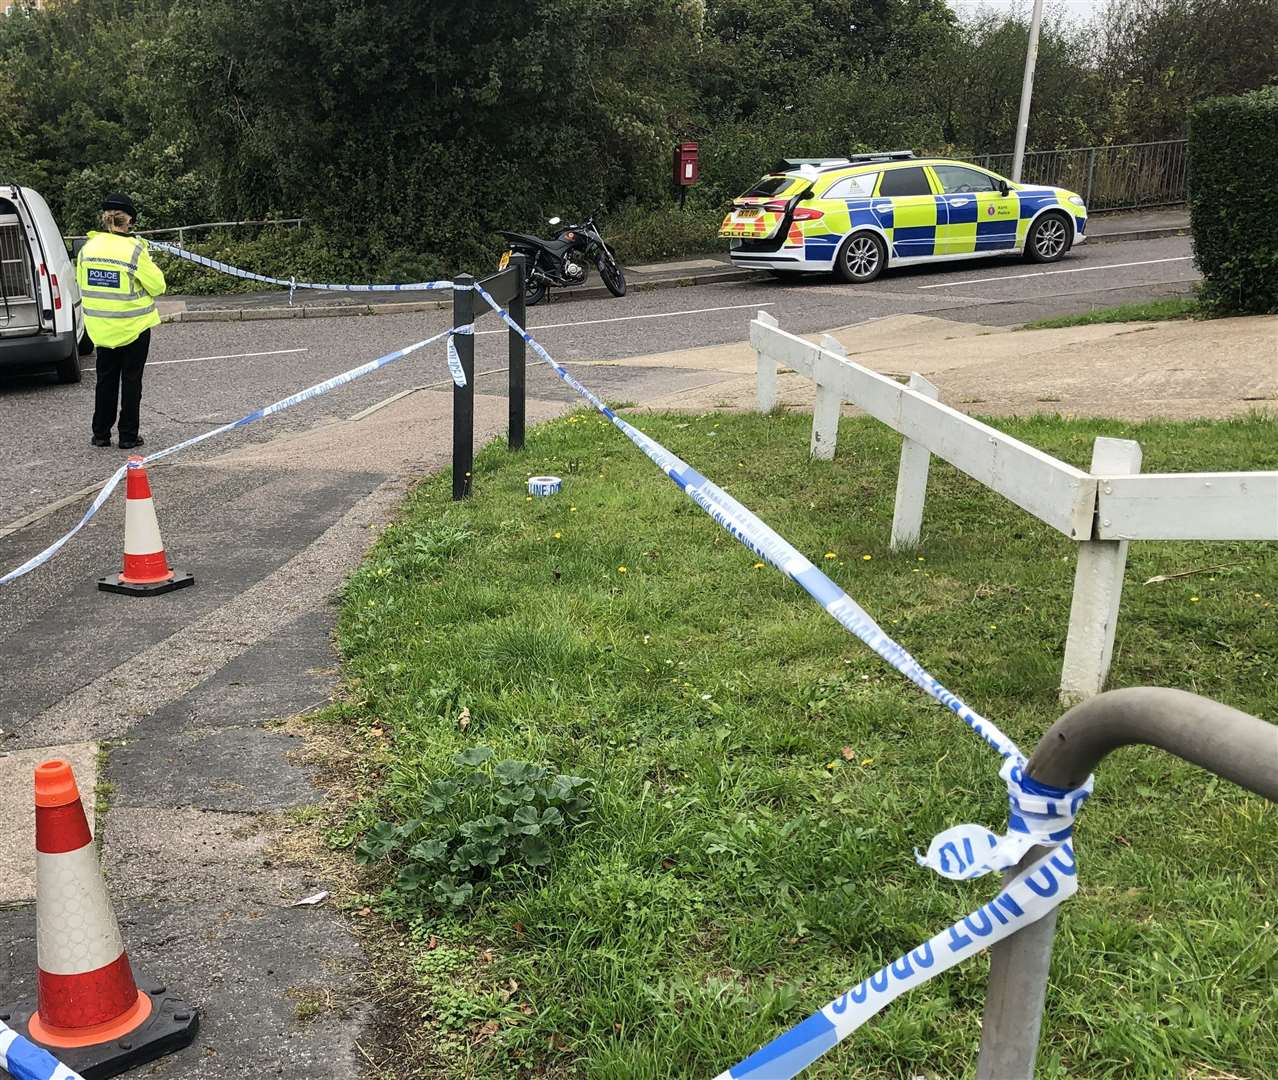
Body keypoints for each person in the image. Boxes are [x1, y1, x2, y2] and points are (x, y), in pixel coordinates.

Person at [76, 193, 166, 449]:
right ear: (129, 222)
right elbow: (158, 286)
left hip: (101, 328)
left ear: (105, 220)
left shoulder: (87, 250)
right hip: (133, 327)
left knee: (105, 380)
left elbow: (82, 283)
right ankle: (128, 435)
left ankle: (101, 433)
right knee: (131, 380)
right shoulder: (134, 250)